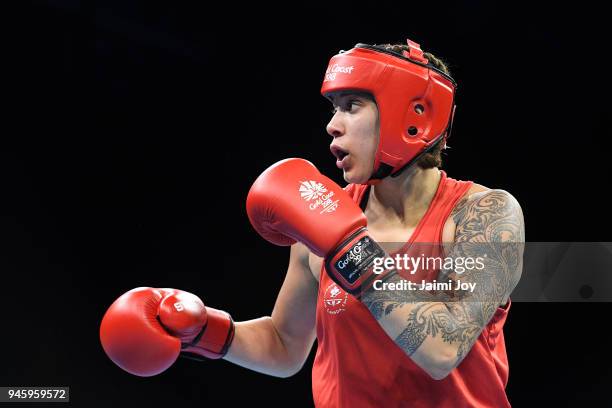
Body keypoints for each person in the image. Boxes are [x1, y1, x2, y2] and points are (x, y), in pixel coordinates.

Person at [100, 39, 524, 407]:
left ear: (413, 113)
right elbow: (285, 347)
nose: (332, 125)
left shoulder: (482, 215)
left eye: (352, 106)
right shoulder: (324, 217)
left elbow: (442, 348)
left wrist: (349, 250)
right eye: (333, 108)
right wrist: (203, 330)